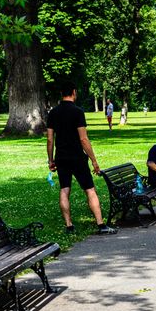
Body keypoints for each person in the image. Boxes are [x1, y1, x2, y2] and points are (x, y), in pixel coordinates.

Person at [47, 84, 117, 235]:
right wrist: (94, 160)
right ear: (74, 92)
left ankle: (69, 226)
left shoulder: (53, 113)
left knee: (64, 190)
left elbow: (50, 139)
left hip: (61, 157)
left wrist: (50, 160)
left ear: (61, 94)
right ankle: (100, 224)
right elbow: (84, 139)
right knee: (90, 190)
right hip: (77, 157)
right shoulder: (78, 112)